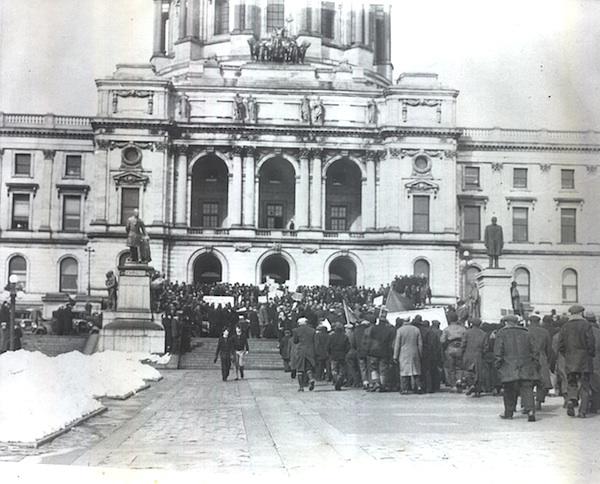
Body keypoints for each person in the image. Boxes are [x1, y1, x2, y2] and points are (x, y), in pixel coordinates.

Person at [494, 314, 539, 422]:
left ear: (506, 322)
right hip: (526, 364)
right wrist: (534, 363)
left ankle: (509, 412)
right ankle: (531, 410)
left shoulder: (502, 333)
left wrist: (498, 364)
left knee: (509, 388)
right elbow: (535, 350)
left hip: (508, 364)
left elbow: (498, 351)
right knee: (527, 388)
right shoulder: (526, 333)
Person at [558, 304, 595, 418]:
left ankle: (571, 400)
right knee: (585, 385)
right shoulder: (586, 325)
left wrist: (567, 355)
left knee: (571, 383)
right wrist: (590, 354)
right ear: (581, 313)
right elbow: (590, 342)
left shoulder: (565, 326)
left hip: (570, 359)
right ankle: (582, 411)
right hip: (584, 359)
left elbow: (561, 345)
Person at [527, 314, 553, 410]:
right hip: (542, 357)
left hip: (528, 358)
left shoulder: (525, 331)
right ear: (539, 322)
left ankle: (527, 403)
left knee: (527, 382)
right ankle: (539, 401)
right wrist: (548, 360)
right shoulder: (545, 332)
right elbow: (549, 349)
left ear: (529, 321)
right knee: (541, 382)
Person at [394, 317, 423, 394]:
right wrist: (420, 353)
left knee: (404, 372)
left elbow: (397, 344)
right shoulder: (416, 329)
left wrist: (395, 356)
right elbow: (420, 344)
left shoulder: (400, 330)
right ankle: (419, 387)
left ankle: (405, 389)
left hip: (403, 353)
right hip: (414, 352)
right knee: (416, 370)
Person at [461, 318, 487, 397]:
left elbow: (463, 344)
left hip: (468, 354)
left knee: (468, 371)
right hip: (478, 355)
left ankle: (471, 385)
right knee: (478, 372)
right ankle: (478, 390)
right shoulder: (483, 334)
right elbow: (486, 347)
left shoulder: (467, 333)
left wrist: (462, 352)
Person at [441, 315, 466, 391]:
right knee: (460, 367)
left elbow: (442, 340)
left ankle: (453, 385)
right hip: (460, 349)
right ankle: (459, 380)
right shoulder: (463, 329)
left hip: (450, 348)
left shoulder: (446, 329)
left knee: (451, 368)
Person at [292, 317, 316, 391]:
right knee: (308, 367)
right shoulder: (312, 330)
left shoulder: (296, 330)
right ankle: (311, 379)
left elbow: (295, 341)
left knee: (300, 369)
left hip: (301, 350)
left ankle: (301, 387)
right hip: (310, 350)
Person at [328, 322, 351, 390]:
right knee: (342, 370)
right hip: (342, 355)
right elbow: (348, 347)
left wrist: (330, 353)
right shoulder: (345, 336)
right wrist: (345, 352)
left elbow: (328, 346)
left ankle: (336, 378)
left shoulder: (331, 336)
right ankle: (340, 378)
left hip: (333, 355)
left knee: (334, 369)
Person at [586, 312, 600, 413]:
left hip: (585, 360)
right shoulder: (598, 332)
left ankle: (586, 405)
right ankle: (596, 405)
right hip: (597, 360)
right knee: (596, 383)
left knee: (586, 383)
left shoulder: (583, 330)